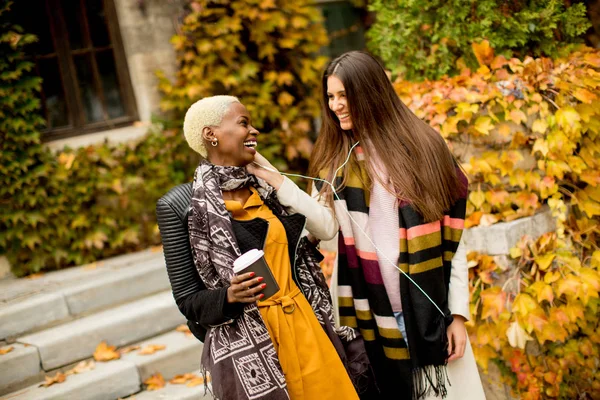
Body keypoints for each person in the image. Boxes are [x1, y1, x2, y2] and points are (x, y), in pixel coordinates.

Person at [156, 95, 366, 400]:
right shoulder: (181, 206)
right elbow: (188, 299)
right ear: (210, 134)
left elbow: (326, 228)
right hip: (251, 345)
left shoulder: (268, 189)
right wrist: (229, 296)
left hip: (308, 326)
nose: (254, 131)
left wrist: (278, 180)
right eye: (243, 123)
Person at [309, 51, 485, 399]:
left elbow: (453, 240)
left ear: (370, 92)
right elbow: (324, 235)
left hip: (430, 315)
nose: (336, 106)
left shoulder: (424, 149)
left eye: (344, 95)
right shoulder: (335, 163)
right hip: (369, 321)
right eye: (331, 97)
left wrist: (459, 317)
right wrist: (279, 183)